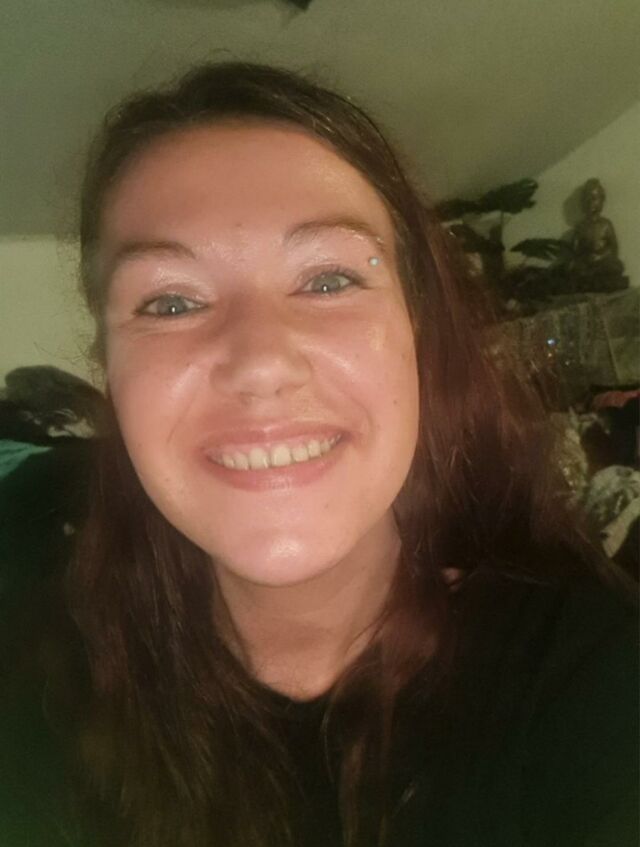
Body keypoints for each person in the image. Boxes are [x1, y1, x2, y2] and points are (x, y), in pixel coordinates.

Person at [0, 62, 637, 847]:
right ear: (111, 369)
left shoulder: (598, 682)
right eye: (170, 301)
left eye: (329, 279)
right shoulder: (36, 694)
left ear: (416, 332)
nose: (261, 363)